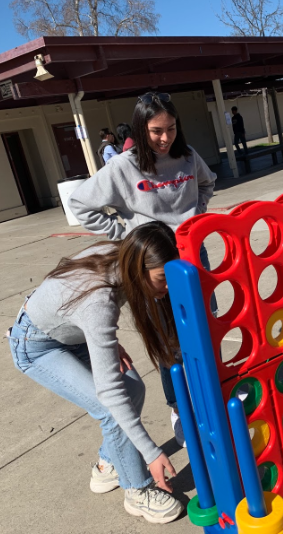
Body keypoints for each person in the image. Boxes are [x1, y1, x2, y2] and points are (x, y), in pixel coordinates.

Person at [7, 222, 185, 524]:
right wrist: (151, 453)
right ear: (138, 268)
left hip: (69, 332)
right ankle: (138, 491)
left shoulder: (124, 255)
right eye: (161, 279)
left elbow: (72, 304)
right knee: (111, 407)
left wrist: (106, 342)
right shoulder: (99, 303)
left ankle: (108, 463)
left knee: (135, 389)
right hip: (37, 345)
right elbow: (110, 392)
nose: (167, 286)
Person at [69, 92, 217, 446]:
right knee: (168, 341)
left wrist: (196, 215)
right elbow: (80, 203)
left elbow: (208, 183)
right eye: (155, 131)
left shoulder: (187, 156)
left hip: (193, 258)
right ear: (141, 128)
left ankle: (212, 398)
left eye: (170, 128)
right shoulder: (123, 166)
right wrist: (126, 235)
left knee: (205, 330)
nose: (165, 138)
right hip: (153, 266)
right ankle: (180, 408)